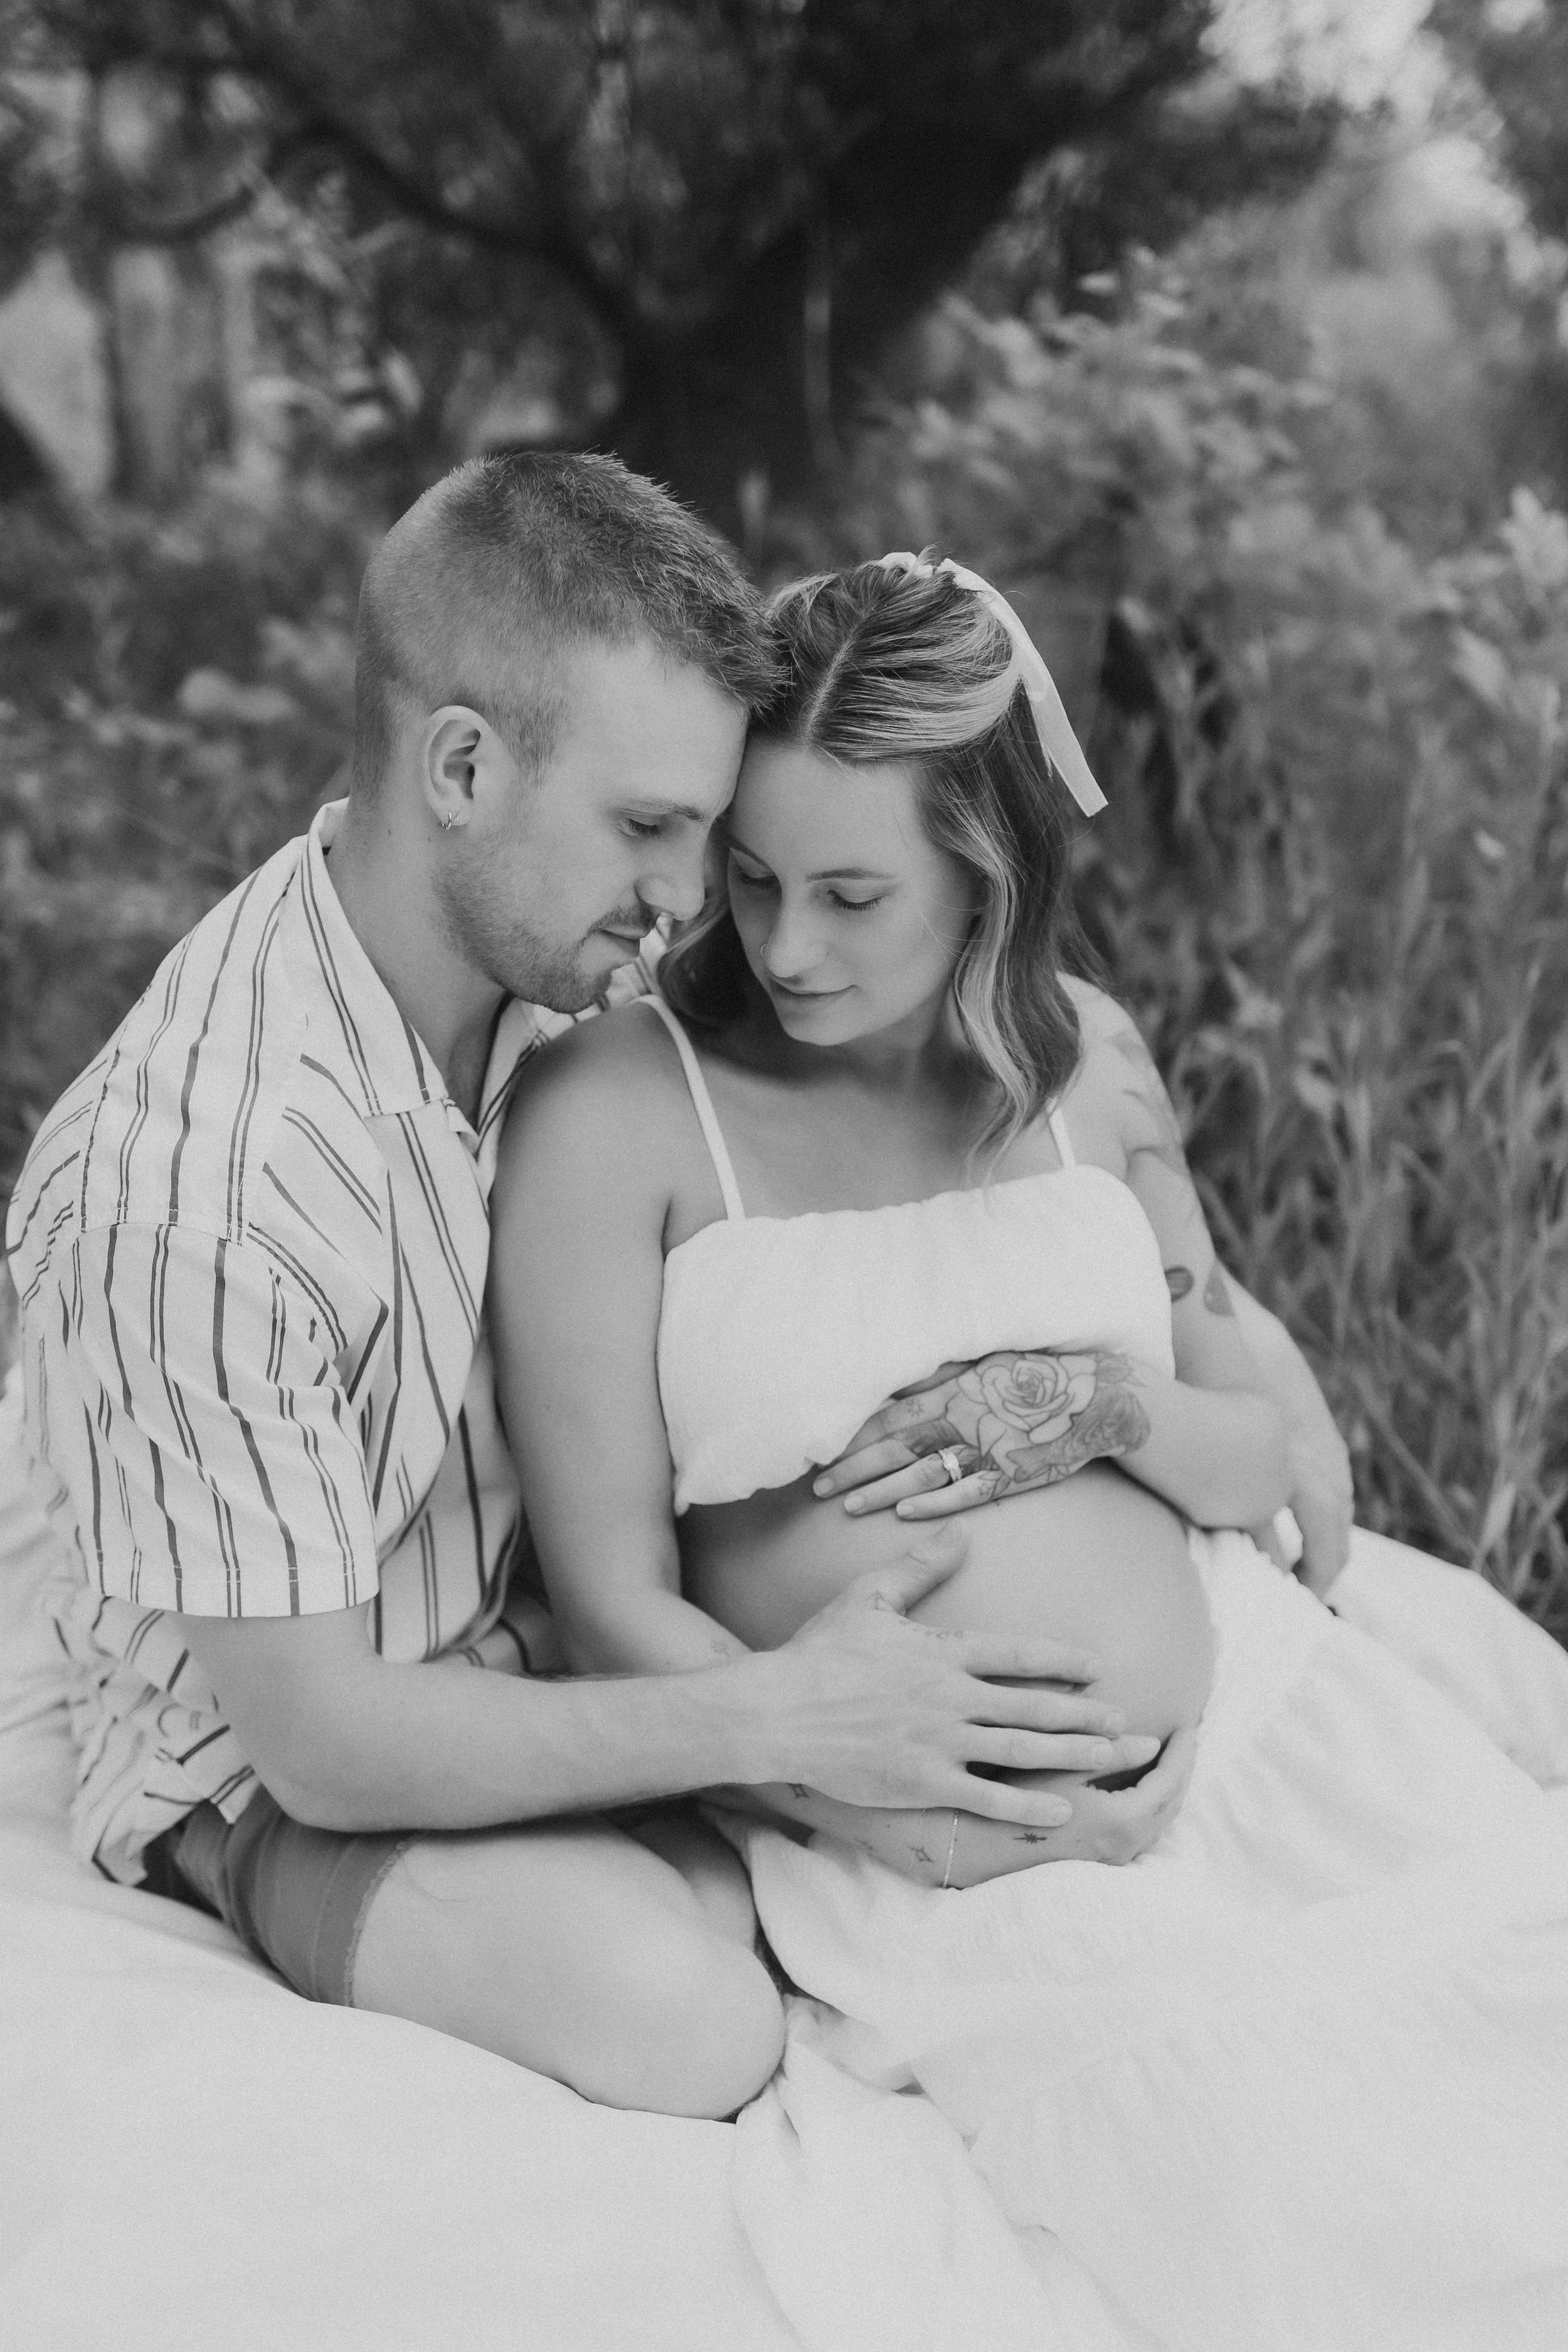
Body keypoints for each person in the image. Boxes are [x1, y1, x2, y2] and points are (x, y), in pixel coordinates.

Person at [5, 458, 1175, 2122]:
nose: (699, 903)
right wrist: (786, 1725)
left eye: (706, 833)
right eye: (650, 829)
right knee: (682, 2013)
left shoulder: (545, 966)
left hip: (536, 1643)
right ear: (464, 766)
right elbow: (323, 1733)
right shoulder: (197, 1189)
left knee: (747, 1919)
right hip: (278, 1766)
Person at [487, 554, 1308, 1888]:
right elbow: (605, 1599)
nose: (785, 949)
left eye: (850, 897)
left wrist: (1102, 1401)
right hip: (849, 1833)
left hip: (1234, 1762)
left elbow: (1254, 1460)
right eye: (750, 879)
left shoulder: (1090, 1063)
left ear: (986, 878)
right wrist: (875, 1813)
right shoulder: (614, 1109)